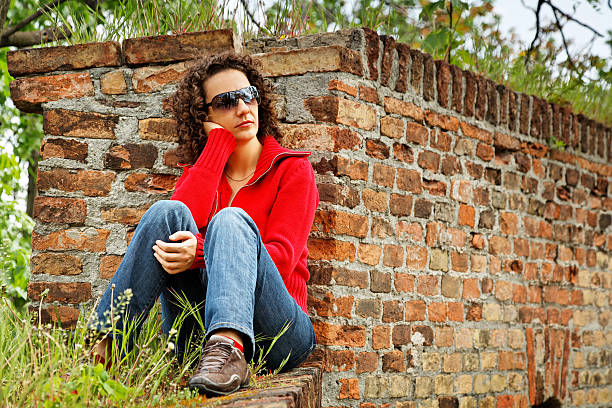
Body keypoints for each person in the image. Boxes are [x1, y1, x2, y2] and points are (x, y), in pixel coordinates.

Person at [92, 51, 319, 396]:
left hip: (279, 333)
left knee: (230, 221)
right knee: (164, 213)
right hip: (198, 336)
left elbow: (283, 261)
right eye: (227, 102)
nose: (244, 108)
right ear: (205, 115)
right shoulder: (201, 175)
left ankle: (229, 349)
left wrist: (200, 253)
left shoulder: (292, 170)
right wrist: (217, 145)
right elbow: (175, 224)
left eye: (249, 95)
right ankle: (105, 349)